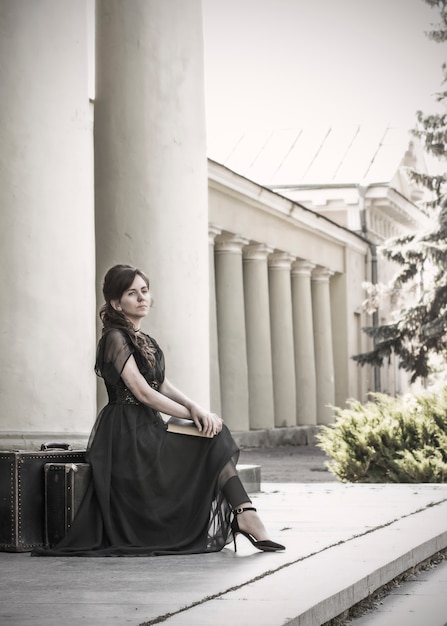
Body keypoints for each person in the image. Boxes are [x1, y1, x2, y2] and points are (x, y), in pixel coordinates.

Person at [33, 264, 284, 556]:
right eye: (132, 293)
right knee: (211, 435)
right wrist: (192, 415)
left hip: (149, 426)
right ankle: (246, 516)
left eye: (144, 291)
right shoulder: (114, 338)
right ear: (116, 303)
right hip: (126, 434)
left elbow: (162, 384)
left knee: (214, 432)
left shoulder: (146, 340)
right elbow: (141, 391)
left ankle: (245, 513)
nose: (142, 298)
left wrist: (195, 406)